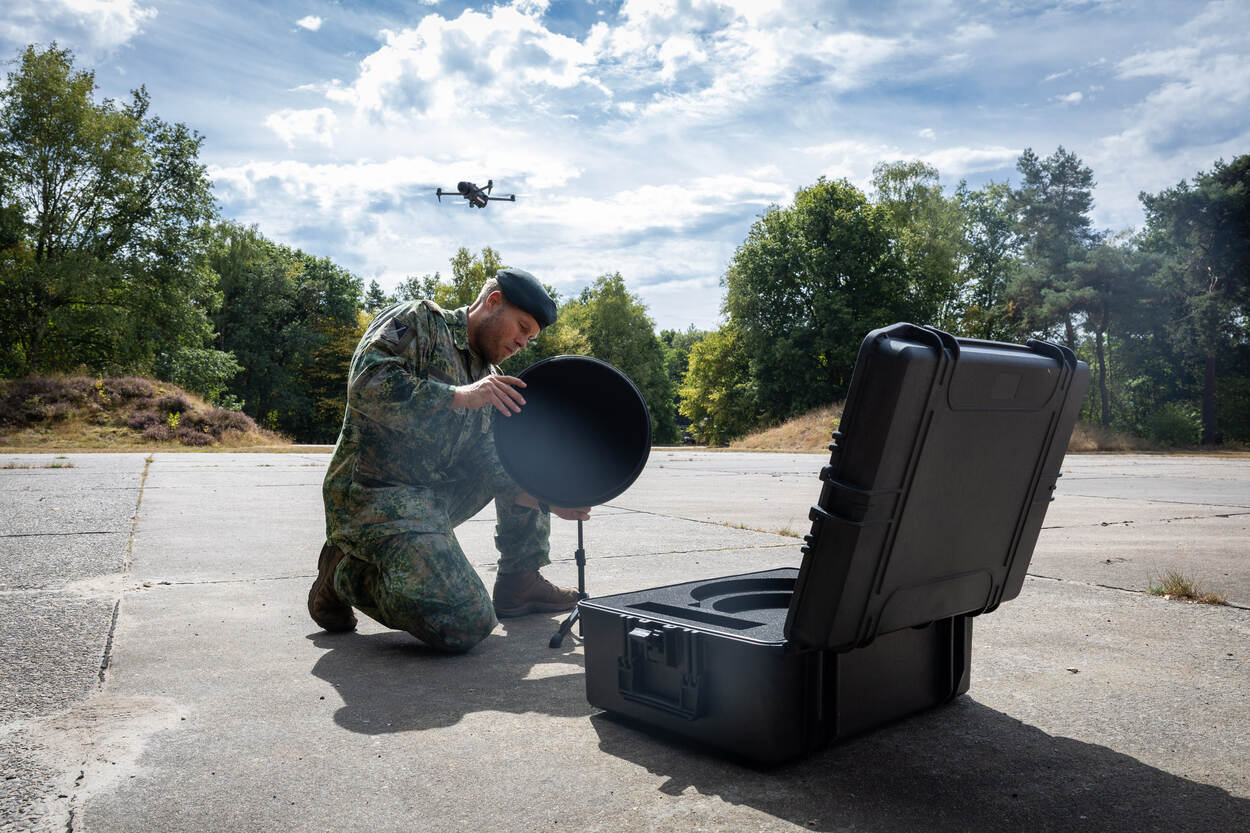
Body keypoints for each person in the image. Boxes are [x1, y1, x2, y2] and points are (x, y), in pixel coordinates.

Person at [307, 268, 590, 652]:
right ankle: (345, 572)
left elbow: (493, 467)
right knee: (465, 623)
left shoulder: (491, 379)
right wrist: (459, 396)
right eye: (521, 327)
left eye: (531, 337)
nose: (523, 342)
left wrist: (549, 499)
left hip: (429, 499)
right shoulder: (421, 322)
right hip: (372, 497)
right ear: (493, 303)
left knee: (523, 454)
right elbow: (365, 385)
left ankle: (520, 580)